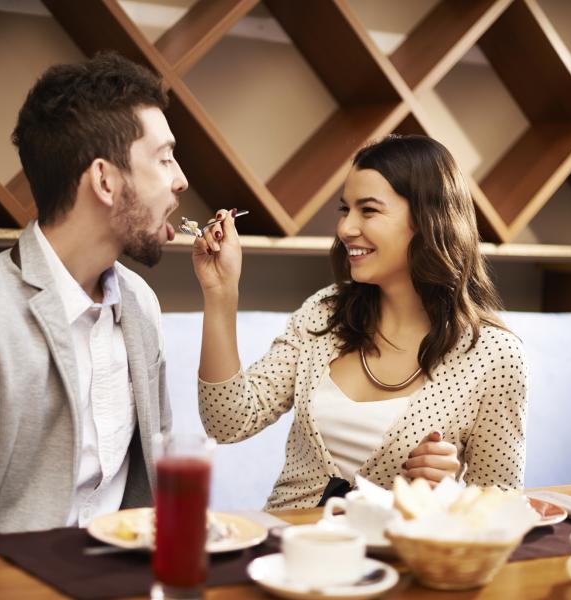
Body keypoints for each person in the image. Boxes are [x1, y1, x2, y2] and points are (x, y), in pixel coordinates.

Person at [0, 51, 188, 538]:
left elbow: (162, 489)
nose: (180, 179)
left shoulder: (139, 304)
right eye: (163, 159)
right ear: (104, 179)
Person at [192, 135, 528, 510]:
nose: (346, 228)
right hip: (287, 552)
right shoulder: (325, 313)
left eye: (368, 211)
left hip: (393, 561)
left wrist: (448, 495)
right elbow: (227, 421)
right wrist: (221, 294)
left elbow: (500, 509)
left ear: (427, 219)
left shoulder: (495, 356)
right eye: (345, 209)